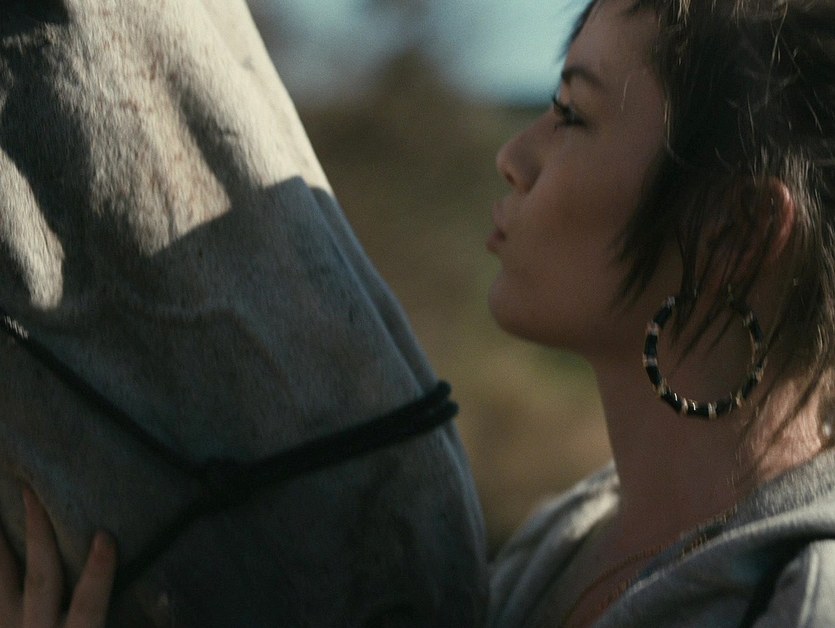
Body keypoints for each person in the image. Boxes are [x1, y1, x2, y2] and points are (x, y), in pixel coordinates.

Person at [3, 0, 835, 625]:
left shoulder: (802, 598)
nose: (512, 156)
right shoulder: (561, 541)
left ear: (733, 233)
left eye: (572, 115)